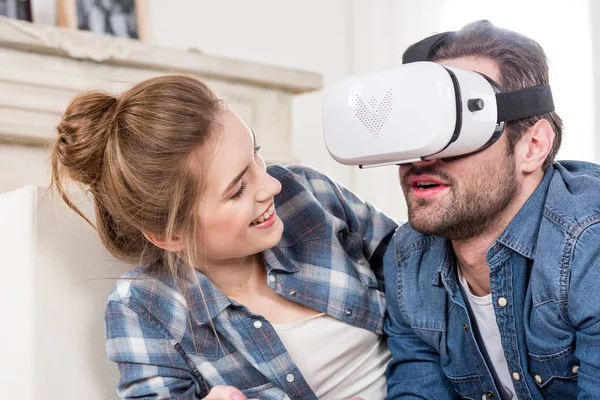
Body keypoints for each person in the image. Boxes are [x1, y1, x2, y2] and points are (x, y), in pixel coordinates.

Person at [50, 75, 398, 399]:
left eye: (255, 154)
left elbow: (417, 267)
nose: (272, 185)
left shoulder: (305, 192)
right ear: (170, 235)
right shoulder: (144, 309)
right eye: (237, 190)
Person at [383, 20, 600, 399]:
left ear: (533, 147)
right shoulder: (408, 257)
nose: (423, 157)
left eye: (458, 128)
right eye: (415, 129)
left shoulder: (589, 244)